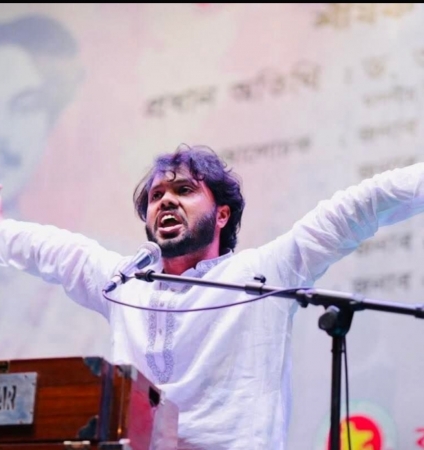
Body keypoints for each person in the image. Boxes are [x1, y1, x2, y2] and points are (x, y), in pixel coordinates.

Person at [0, 143, 423, 449]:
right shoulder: (123, 283)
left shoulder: (265, 272)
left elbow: (359, 206)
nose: (166, 200)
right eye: (156, 197)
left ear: (222, 214)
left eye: (184, 190)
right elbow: (41, 247)